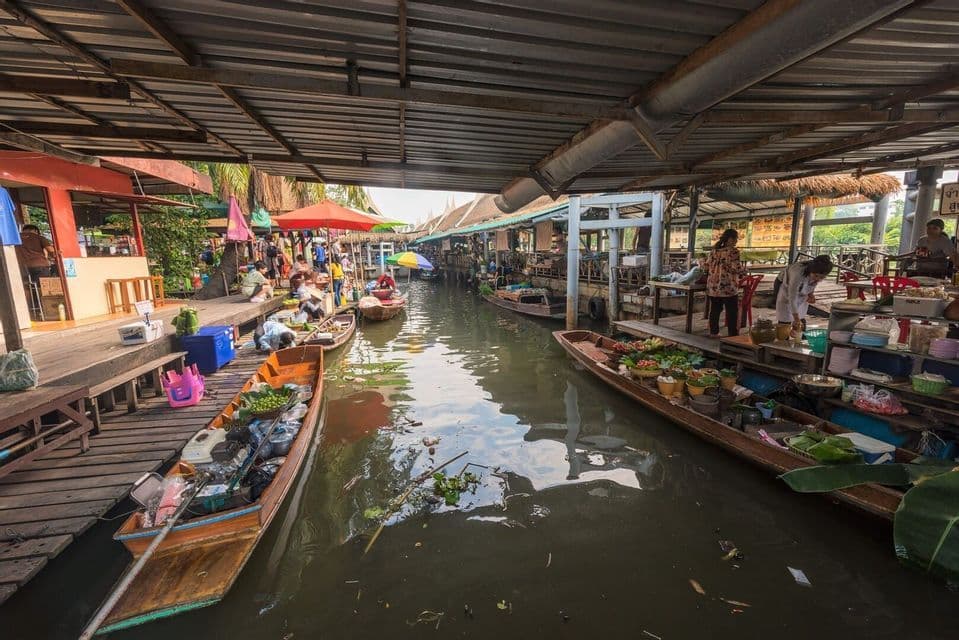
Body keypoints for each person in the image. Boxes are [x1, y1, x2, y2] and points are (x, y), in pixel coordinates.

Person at [703, 228, 747, 338]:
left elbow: (706, 267)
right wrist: (743, 271)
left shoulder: (714, 251)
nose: (736, 241)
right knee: (732, 312)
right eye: (736, 239)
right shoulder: (733, 251)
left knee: (715, 310)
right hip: (728, 287)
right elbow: (735, 268)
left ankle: (714, 333)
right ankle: (733, 335)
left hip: (713, 286)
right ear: (730, 239)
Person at [774, 255, 834, 334]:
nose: (818, 279)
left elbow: (812, 284)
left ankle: (800, 335)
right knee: (785, 312)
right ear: (811, 271)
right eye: (816, 276)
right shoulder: (797, 274)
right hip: (783, 284)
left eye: (822, 277)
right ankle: (784, 336)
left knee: (801, 310)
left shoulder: (815, 272)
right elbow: (792, 299)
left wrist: (810, 294)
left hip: (798, 287)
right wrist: (796, 319)